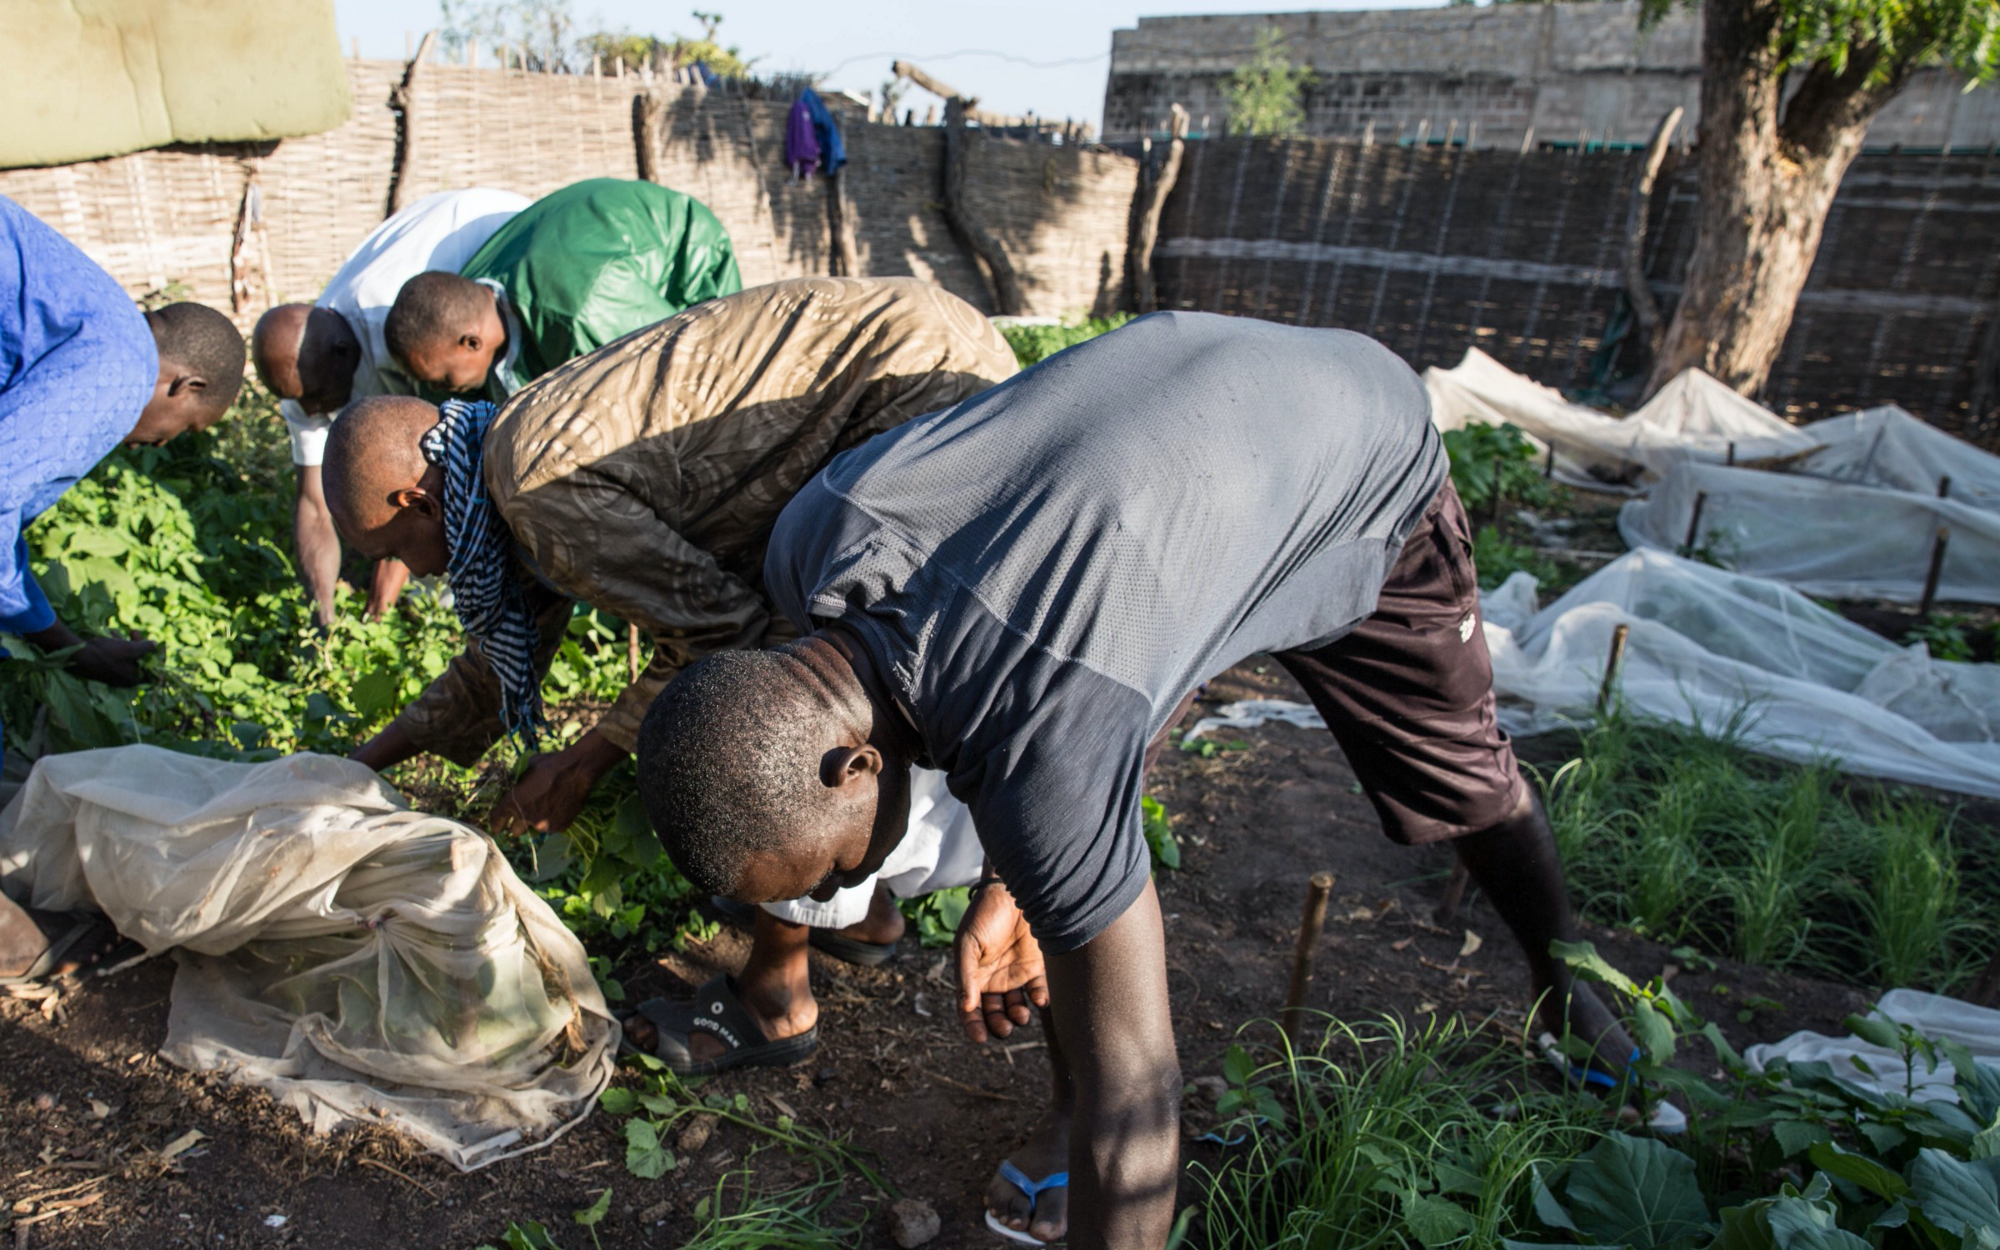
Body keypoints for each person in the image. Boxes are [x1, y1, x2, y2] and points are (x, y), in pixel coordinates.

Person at [632, 312, 1642, 1248]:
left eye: (839, 862)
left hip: (1357, 455)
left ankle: (1569, 988)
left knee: (1462, 775)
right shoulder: (811, 537)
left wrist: (1041, 894)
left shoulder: (1051, 739)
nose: (845, 888)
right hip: (1189, 411)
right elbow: (1038, 678)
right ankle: (1052, 1108)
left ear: (855, 763)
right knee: (1062, 817)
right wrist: (1012, 880)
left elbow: (1140, 1105)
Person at [323, 277, 1017, 1057]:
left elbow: (724, 630)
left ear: (415, 500)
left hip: (920, 387)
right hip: (907, 346)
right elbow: (494, 666)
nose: (407, 573)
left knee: (801, 699)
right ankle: (861, 909)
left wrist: (581, 765)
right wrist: (350, 770)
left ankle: (777, 994)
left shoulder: (534, 493)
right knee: (796, 654)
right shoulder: (500, 466)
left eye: (391, 553)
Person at [1, 195, 246, 985]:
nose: (161, 445)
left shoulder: (94, 324)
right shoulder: (118, 369)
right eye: (189, 428)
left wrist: (62, 643)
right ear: (185, 384)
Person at [249, 188, 530, 628]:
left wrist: (379, 609)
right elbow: (313, 503)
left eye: (320, 399)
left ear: (345, 353)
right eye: (302, 402)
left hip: (505, 242)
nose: (313, 411)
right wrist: (323, 616)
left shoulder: (398, 331)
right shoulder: (305, 375)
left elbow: (425, 470)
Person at [382, 177, 741, 403]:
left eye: (444, 380)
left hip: (687, 254)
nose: (442, 389)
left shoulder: (583, 313)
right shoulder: (468, 299)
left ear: (473, 341)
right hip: (585, 247)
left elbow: (680, 363)